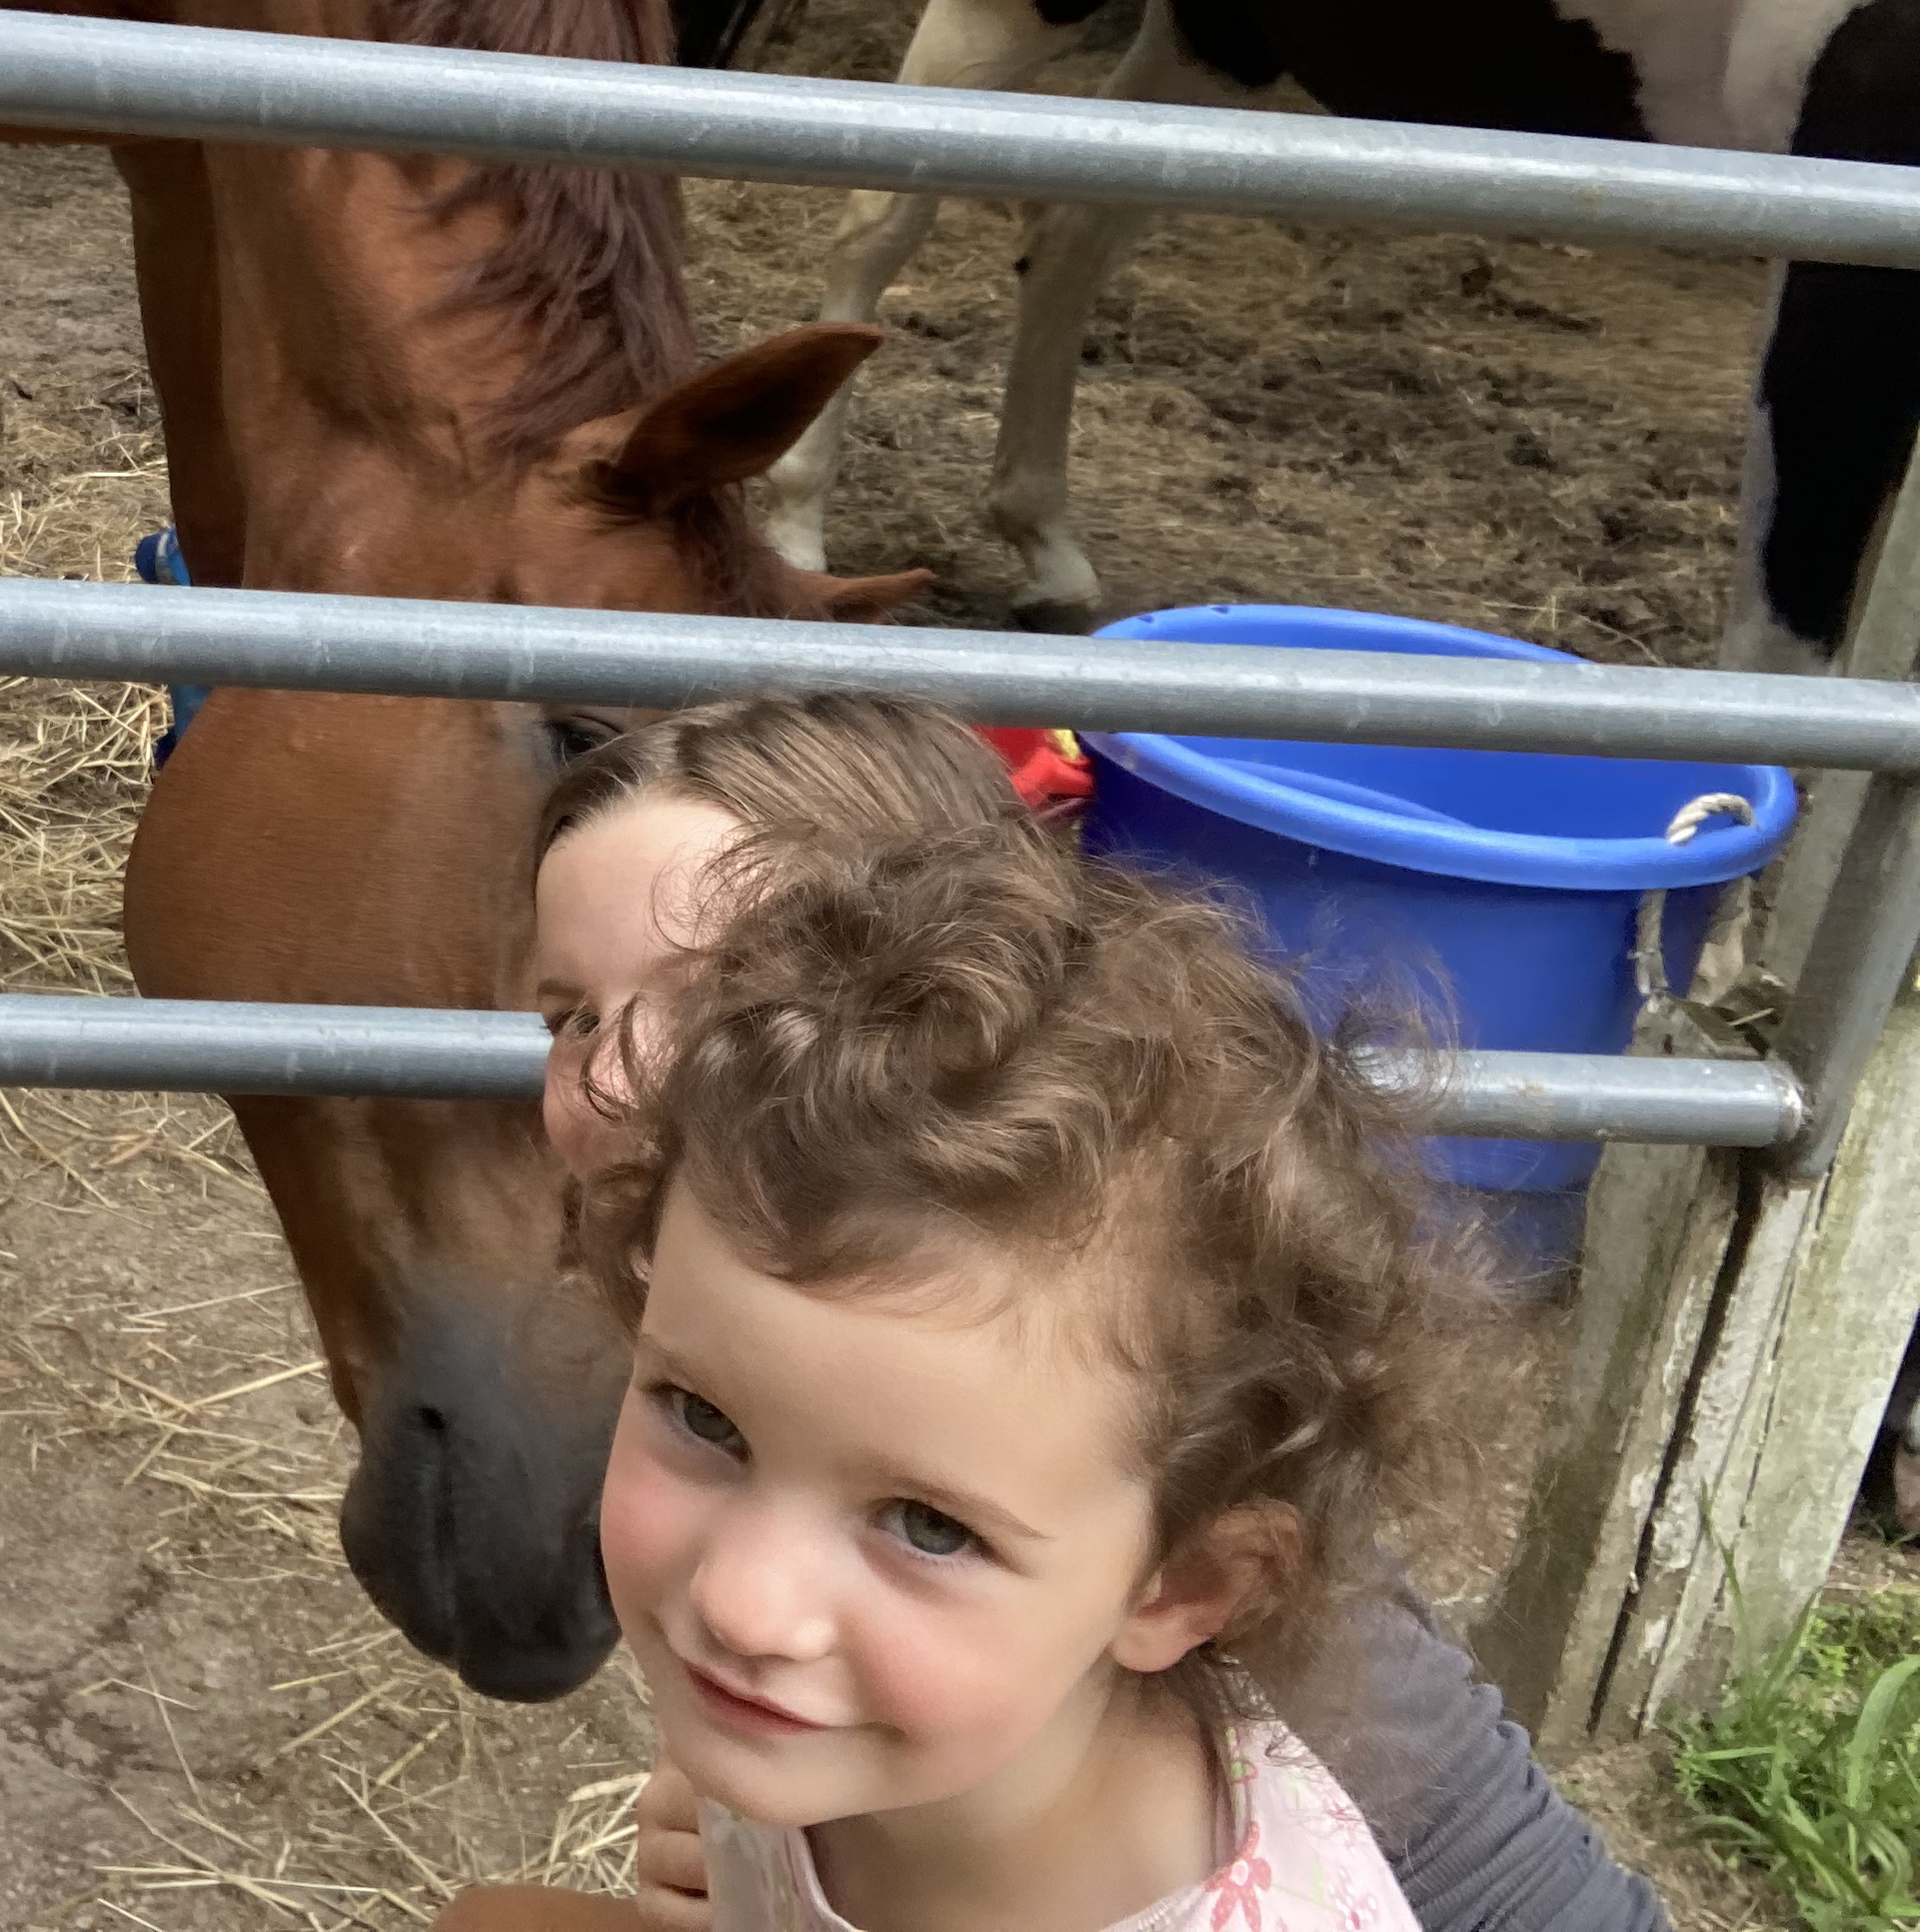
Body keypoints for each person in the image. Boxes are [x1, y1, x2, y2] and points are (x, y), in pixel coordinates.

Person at [448, 695, 1664, 1932]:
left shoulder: (1157, 1416)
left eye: (725, 994)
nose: (618, 1076)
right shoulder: (788, 1425)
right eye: (574, 1015)